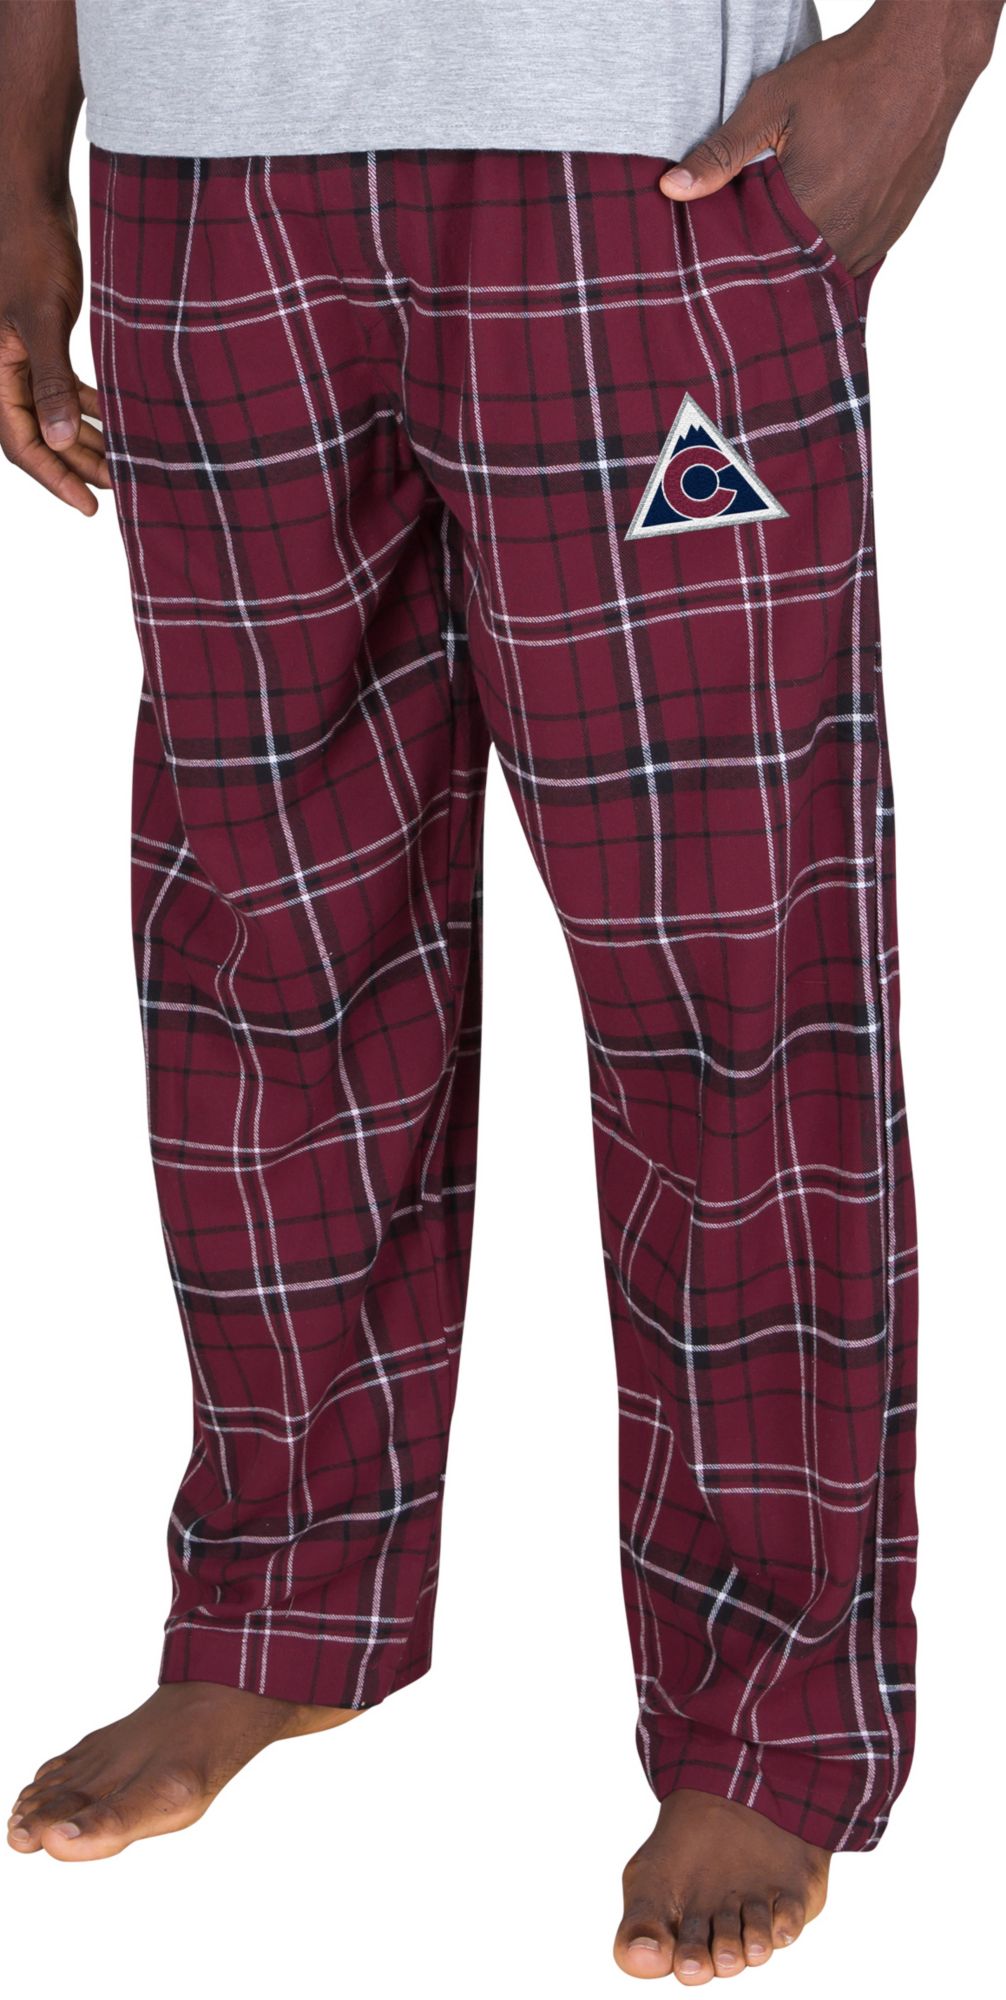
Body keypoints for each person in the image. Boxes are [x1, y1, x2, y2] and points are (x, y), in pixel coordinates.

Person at [1, 0, 999, 1980]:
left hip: (636, 157)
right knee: (265, 931)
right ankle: (285, 1602)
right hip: (203, 172)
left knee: (728, 958)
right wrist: (18, 165)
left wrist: (935, 39)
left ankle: (767, 1712)